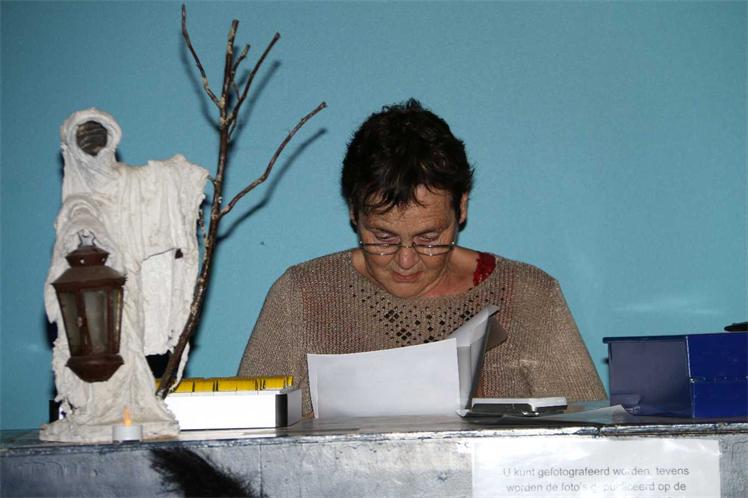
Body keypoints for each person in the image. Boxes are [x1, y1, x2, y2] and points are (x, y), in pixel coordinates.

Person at [239, 99, 605, 416]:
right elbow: (246, 437)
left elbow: (588, 438)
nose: (405, 261)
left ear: (461, 207)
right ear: (353, 212)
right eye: (382, 238)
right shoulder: (304, 296)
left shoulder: (527, 296)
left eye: (429, 238)